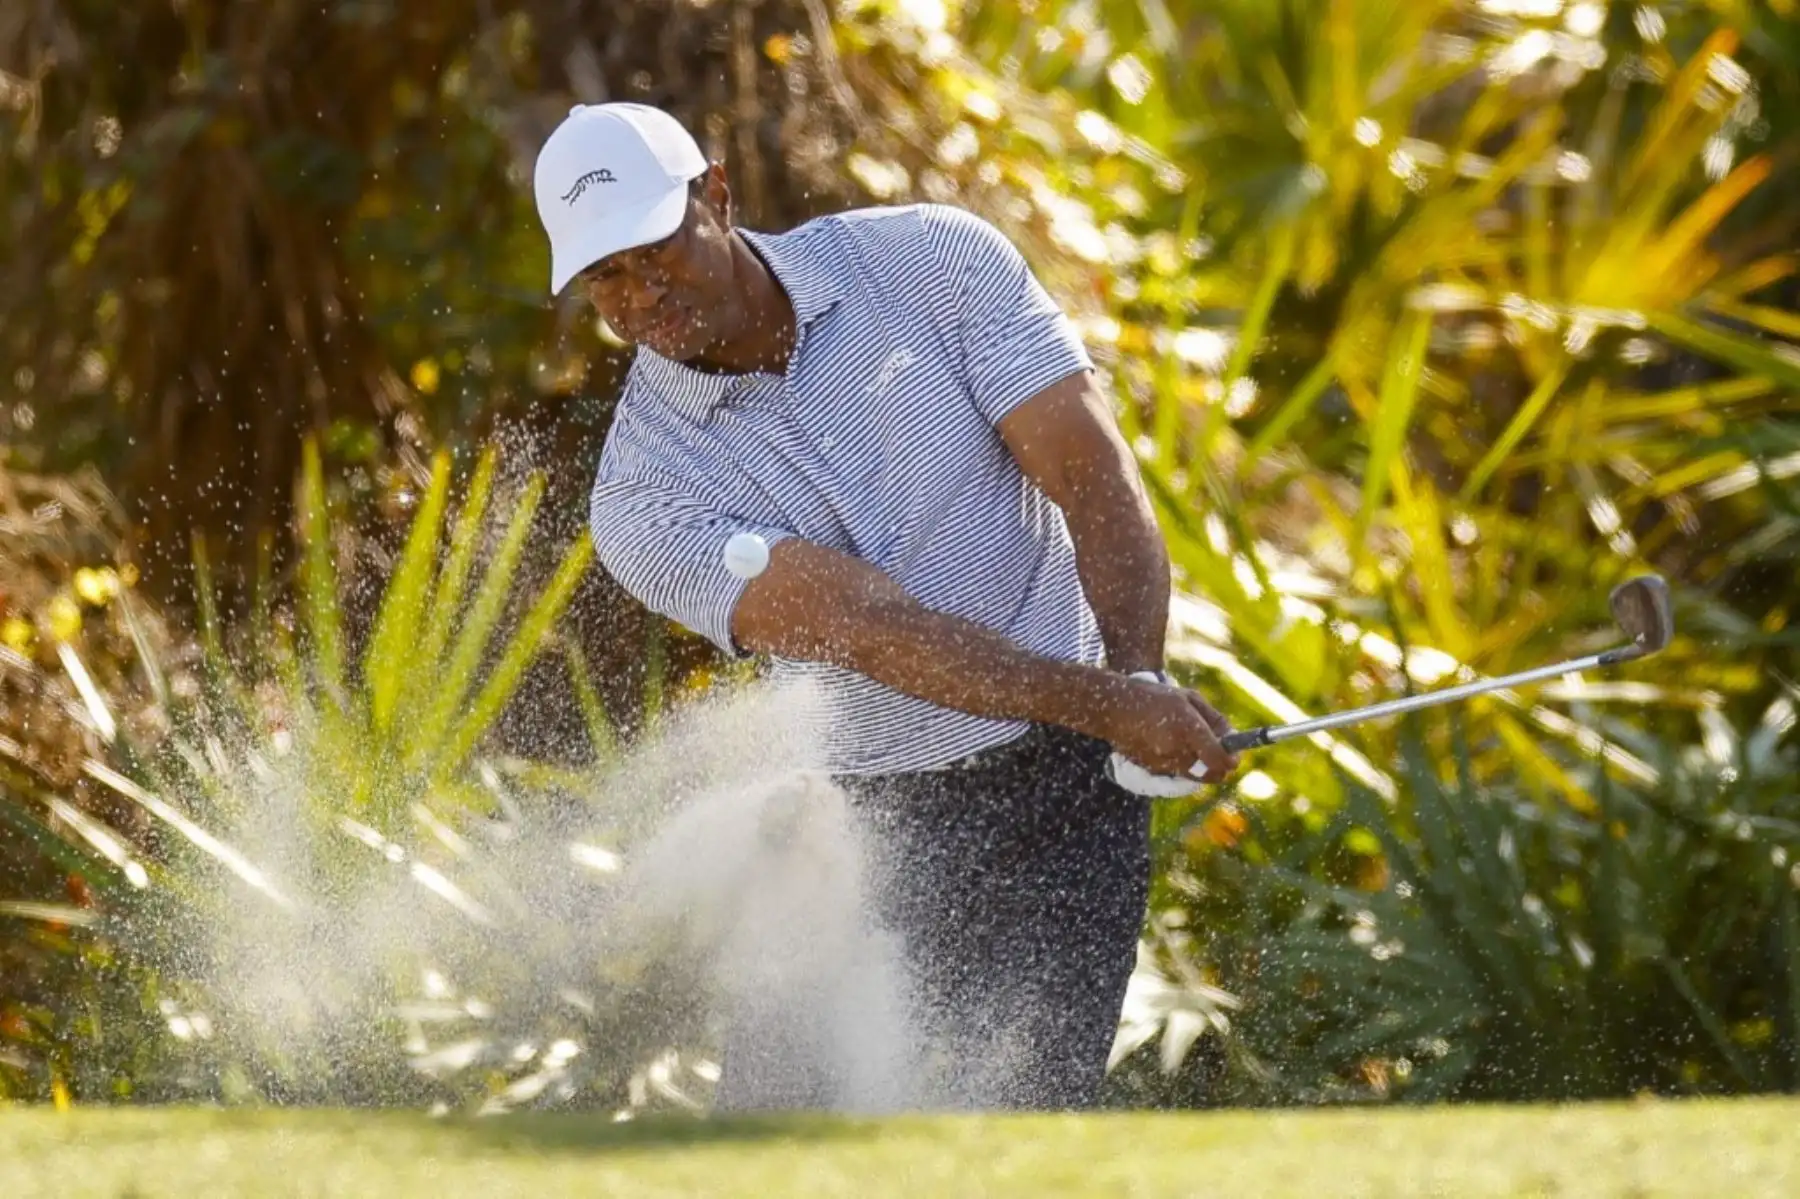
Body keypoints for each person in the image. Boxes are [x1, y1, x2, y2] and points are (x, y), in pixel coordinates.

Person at [532, 102, 1240, 1111]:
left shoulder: (929, 261)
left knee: (1025, 1126)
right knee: (777, 1151)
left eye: (657, 248)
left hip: (1069, 797)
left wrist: (1136, 675)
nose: (643, 291)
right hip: (860, 829)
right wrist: (1113, 703)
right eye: (606, 275)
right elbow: (866, 630)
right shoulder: (644, 494)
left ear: (717, 195)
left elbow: (1091, 476)